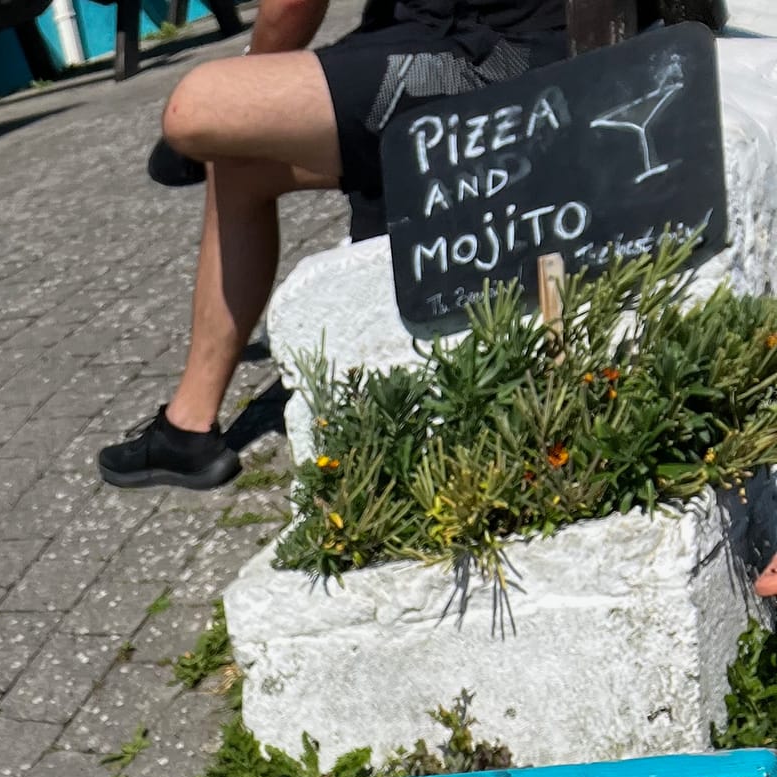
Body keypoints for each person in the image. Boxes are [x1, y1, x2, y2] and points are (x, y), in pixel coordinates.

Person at [100, 0, 569, 490]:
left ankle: (191, 429)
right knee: (238, 164)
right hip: (482, 37)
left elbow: (290, 7)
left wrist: (247, 87)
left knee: (197, 106)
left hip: (507, 59)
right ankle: (187, 430)